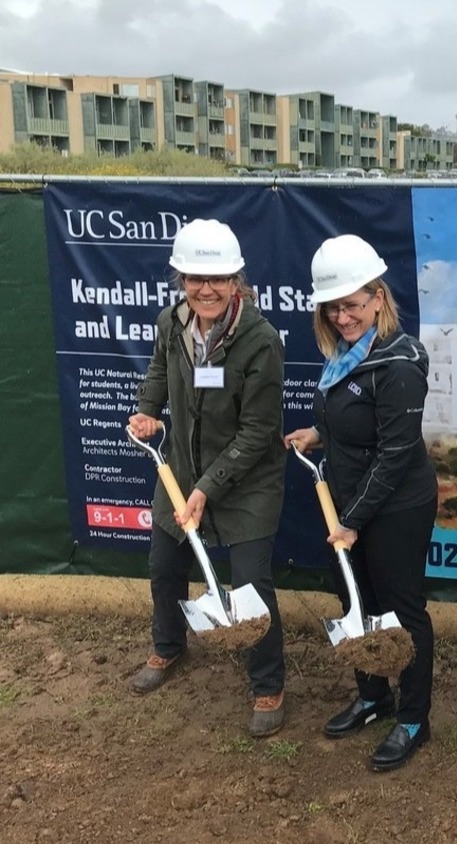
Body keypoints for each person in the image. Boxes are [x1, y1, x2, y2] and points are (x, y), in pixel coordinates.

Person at [127, 218, 288, 738]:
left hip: (248, 482)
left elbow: (260, 430)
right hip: (182, 469)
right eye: (196, 277)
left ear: (237, 280)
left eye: (218, 278)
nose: (207, 289)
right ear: (181, 280)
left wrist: (206, 489)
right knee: (163, 568)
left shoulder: (260, 340)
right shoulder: (171, 323)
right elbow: (157, 371)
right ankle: (168, 648)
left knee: (251, 590)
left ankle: (268, 684)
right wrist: (149, 412)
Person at [284, 234, 438, 773]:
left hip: (395, 507)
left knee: (402, 611)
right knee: (357, 604)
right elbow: (355, 426)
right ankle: (374, 697)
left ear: (378, 297)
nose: (343, 316)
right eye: (334, 306)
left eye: (353, 304)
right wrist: (317, 434)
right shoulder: (345, 357)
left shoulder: (399, 363)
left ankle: (414, 718)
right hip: (348, 505)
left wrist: (349, 522)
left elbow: (394, 453)